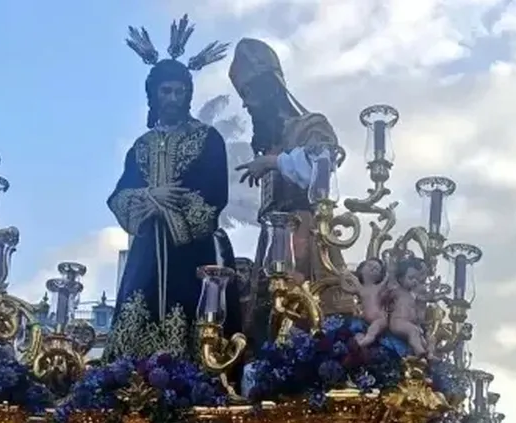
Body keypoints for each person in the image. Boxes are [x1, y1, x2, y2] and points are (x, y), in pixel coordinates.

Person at [106, 16, 240, 357]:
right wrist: (150, 197)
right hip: (147, 250)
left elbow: (214, 195)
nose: (173, 98)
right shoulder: (141, 146)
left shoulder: (207, 139)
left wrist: (170, 208)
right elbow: (119, 195)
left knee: (193, 315)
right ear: (153, 94)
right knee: (138, 310)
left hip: (192, 249)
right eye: (166, 91)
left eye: (180, 91)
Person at [227, 38, 348, 334]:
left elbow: (320, 169)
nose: (246, 104)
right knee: (265, 320)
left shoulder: (310, 126)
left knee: (308, 311)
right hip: (271, 241)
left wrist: (272, 162)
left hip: (304, 231)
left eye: (249, 94)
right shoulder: (271, 142)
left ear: (269, 88)